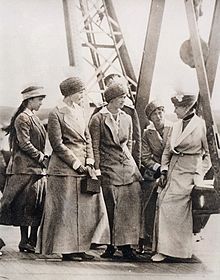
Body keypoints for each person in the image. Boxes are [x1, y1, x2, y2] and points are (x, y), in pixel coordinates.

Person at [37, 77, 110, 261]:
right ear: (70, 94)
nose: (82, 96)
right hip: (64, 169)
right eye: (80, 93)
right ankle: (66, 249)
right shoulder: (56, 113)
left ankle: (80, 247)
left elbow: (87, 137)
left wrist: (90, 160)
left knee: (82, 211)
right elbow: (57, 144)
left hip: (83, 168)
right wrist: (77, 164)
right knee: (65, 211)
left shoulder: (80, 111)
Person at [151, 92, 211, 262]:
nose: (175, 111)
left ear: (186, 108)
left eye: (177, 107)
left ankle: (176, 250)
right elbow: (167, 152)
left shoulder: (201, 125)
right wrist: (163, 170)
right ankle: (163, 249)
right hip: (173, 172)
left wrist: (199, 172)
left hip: (189, 172)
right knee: (162, 203)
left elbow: (210, 155)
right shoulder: (176, 126)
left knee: (173, 208)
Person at [89, 82, 142, 260]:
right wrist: (96, 168)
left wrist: (137, 164)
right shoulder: (98, 119)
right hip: (108, 167)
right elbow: (94, 146)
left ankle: (127, 246)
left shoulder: (127, 117)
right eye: (120, 97)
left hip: (127, 167)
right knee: (111, 207)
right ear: (111, 99)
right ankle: (111, 245)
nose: (123, 100)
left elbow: (133, 142)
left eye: (125, 97)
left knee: (129, 206)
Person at [0, 86, 47, 253]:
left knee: (34, 205)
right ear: (30, 100)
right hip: (24, 169)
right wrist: (41, 157)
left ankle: (29, 241)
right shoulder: (23, 118)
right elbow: (24, 143)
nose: (41, 103)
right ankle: (25, 241)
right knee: (22, 205)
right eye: (39, 100)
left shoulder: (32, 117)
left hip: (34, 169)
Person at [139, 100, 171, 252]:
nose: (158, 116)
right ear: (150, 118)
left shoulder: (174, 128)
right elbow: (145, 157)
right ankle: (148, 237)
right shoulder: (147, 133)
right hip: (156, 170)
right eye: (154, 115)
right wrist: (158, 168)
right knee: (149, 197)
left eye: (160, 112)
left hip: (174, 169)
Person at [92, 73, 141, 168]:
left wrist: (136, 163)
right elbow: (94, 142)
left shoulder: (129, 112)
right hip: (106, 163)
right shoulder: (99, 113)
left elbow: (136, 139)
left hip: (125, 162)